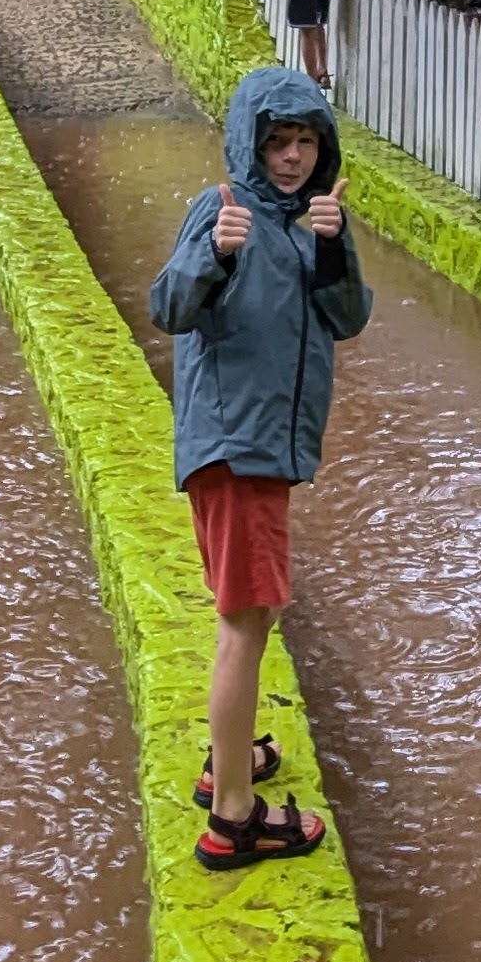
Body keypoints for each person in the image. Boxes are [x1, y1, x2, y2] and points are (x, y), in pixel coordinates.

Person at [147, 64, 370, 868]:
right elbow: (168, 307)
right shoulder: (225, 210)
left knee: (253, 612)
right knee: (246, 621)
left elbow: (346, 319)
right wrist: (214, 252)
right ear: (252, 145)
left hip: (263, 449)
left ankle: (231, 758)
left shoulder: (306, 226)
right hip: (236, 448)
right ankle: (234, 816)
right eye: (278, 142)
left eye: (306, 141)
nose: (293, 157)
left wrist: (334, 247)